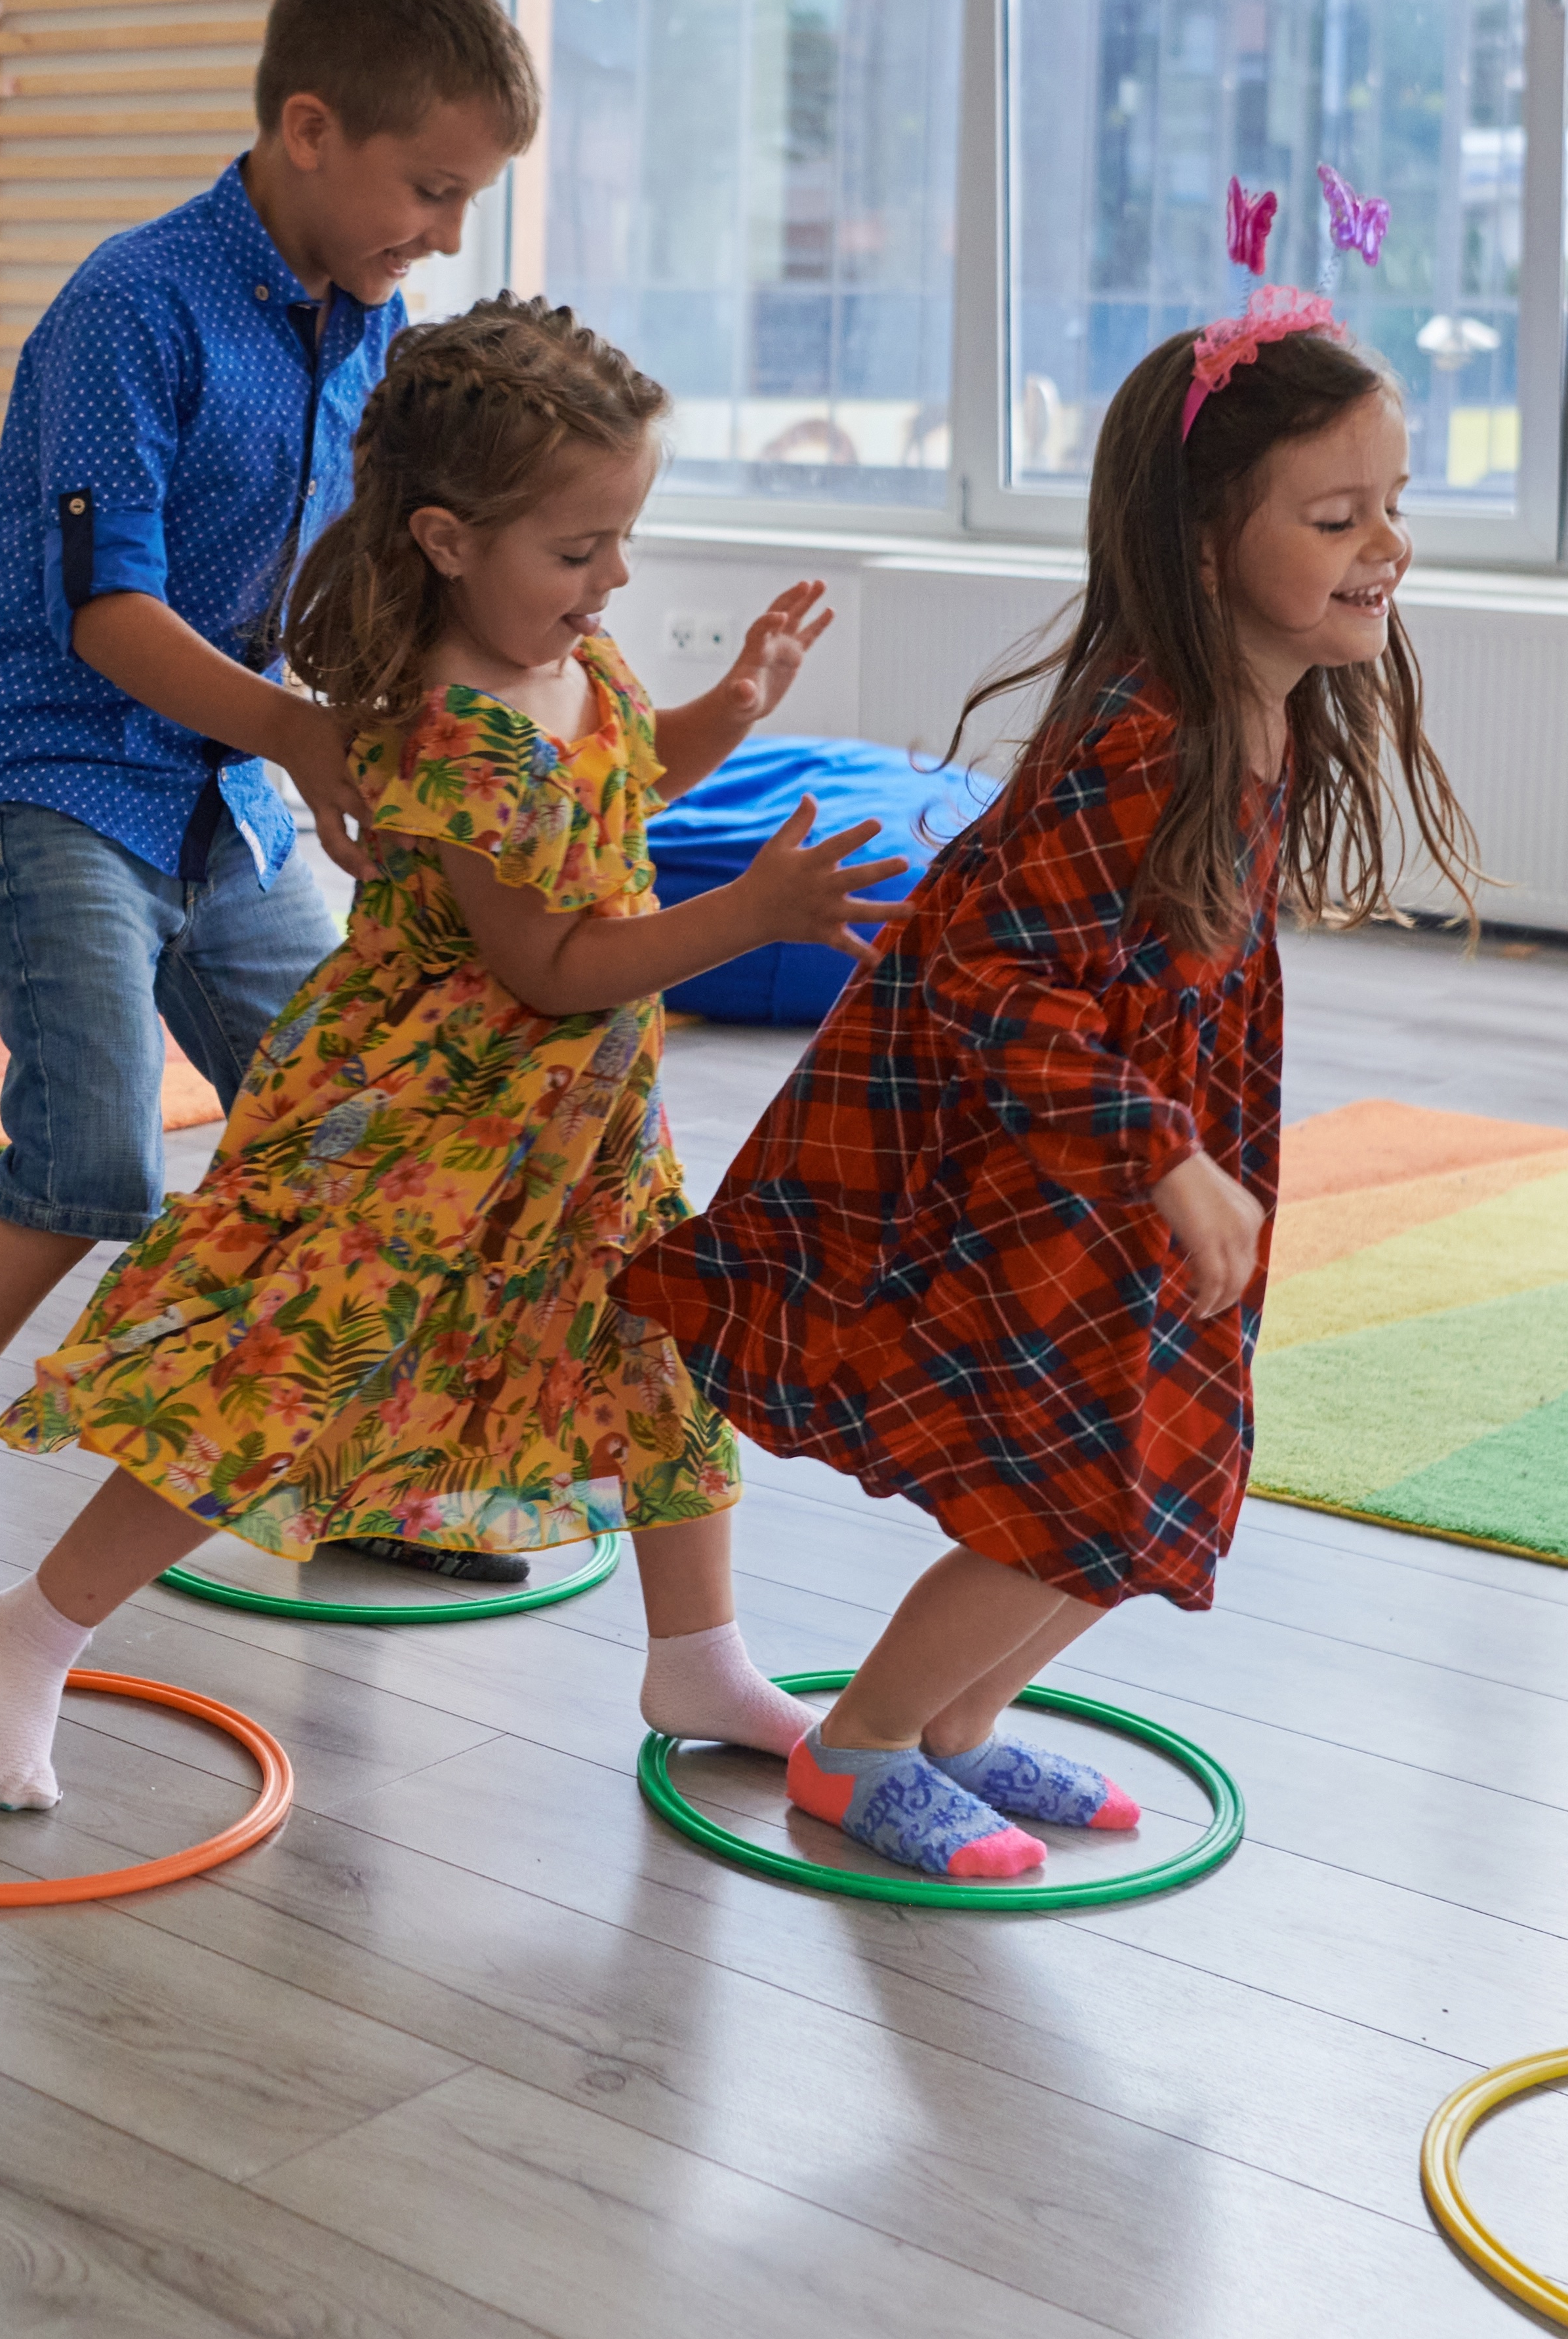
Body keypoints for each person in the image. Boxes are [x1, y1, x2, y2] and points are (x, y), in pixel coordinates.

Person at [0, 298, 900, 1805]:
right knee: (277, 1381)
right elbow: (555, 962)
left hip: (577, 1130)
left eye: (623, 539)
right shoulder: (451, 725)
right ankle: (32, 1628)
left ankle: (697, 1654)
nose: (615, 578)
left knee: (663, 1352)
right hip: (418, 1127)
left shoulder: (564, 660)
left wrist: (731, 707)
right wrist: (751, 913)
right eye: (580, 553)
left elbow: (615, 791)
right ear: (449, 539)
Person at [0, 0, 542, 1715]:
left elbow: (354, 587)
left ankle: (356, 1470)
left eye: (464, 201)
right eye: (427, 189)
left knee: (372, 1132)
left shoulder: (372, 330)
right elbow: (105, 614)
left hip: (229, 801)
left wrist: (406, 731)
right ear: (306, 126)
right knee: (93, 1165)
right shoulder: (133, 308)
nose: (437, 229)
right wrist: (300, 730)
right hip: (58, 776)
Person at [614, 296, 1486, 1880]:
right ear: (1207, 543)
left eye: (1395, 507)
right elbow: (994, 983)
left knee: (1161, 1455)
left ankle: (954, 1728)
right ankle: (863, 1746)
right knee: (1089, 1481)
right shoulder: (1147, 741)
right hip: (1038, 1149)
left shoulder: (1252, 709)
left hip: (1115, 1144)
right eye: (1339, 514)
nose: (1388, 546)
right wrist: (1165, 1153)